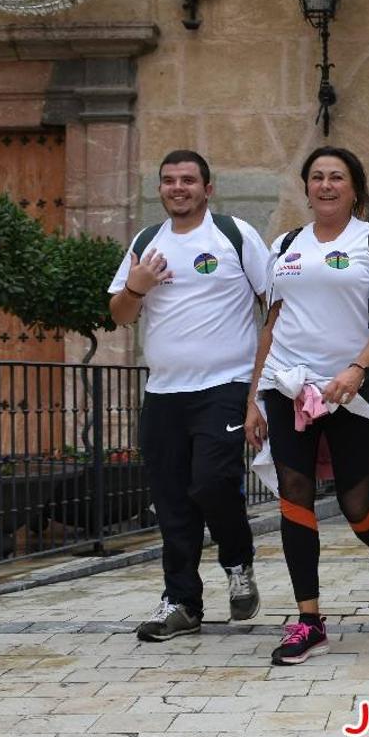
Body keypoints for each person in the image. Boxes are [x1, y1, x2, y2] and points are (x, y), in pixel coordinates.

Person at [245, 146, 369, 665]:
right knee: (294, 492)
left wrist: (358, 367)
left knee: (355, 502)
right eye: (316, 177)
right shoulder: (286, 245)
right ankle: (309, 620)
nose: (325, 185)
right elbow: (271, 325)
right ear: (307, 187)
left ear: (354, 188)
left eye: (336, 177)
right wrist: (254, 395)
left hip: (350, 389)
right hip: (288, 384)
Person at [109, 149, 271, 642]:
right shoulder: (145, 242)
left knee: (211, 483)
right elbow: (118, 314)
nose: (178, 188)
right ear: (161, 189)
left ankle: (238, 562)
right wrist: (135, 287)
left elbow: (276, 307)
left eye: (188, 180)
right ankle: (181, 602)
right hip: (162, 393)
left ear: (207, 187)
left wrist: (258, 394)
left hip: (224, 386)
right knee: (171, 501)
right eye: (169, 181)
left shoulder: (234, 235)